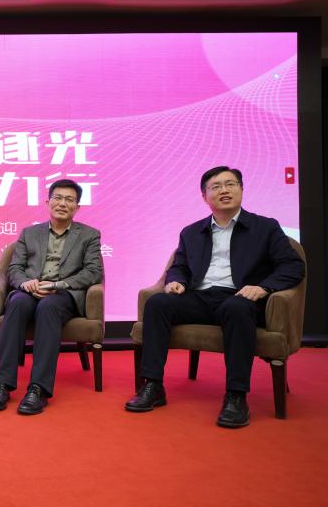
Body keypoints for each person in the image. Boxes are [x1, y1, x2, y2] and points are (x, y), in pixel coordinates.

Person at [125, 166, 304, 428]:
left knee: (236, 308)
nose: (224, 190)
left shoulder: (265, 227)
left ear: (241, 189)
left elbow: (293, 266)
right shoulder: (191, 232)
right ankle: (153, 385)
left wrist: (263, 287)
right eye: (216, 186)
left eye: (230, 184)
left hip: (240, 297)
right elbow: (180, 266)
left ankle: (236, 395)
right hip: (200, 297)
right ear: (204, 196)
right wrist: (177, 281)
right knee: (158, 303)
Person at [0, 179, 104, 415]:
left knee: (48, 306)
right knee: (17, 302)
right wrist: (25, 283)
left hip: (63, 294)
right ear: (48, 202)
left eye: (69, 200)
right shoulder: (29, 233)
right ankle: (2, 385)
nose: (62, 204)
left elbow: (93, 272)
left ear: (77, 207)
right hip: (30, 290)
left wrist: (57, 285)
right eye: (57, 198)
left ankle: (38, 388)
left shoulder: (89, 235)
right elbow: (14, 268)